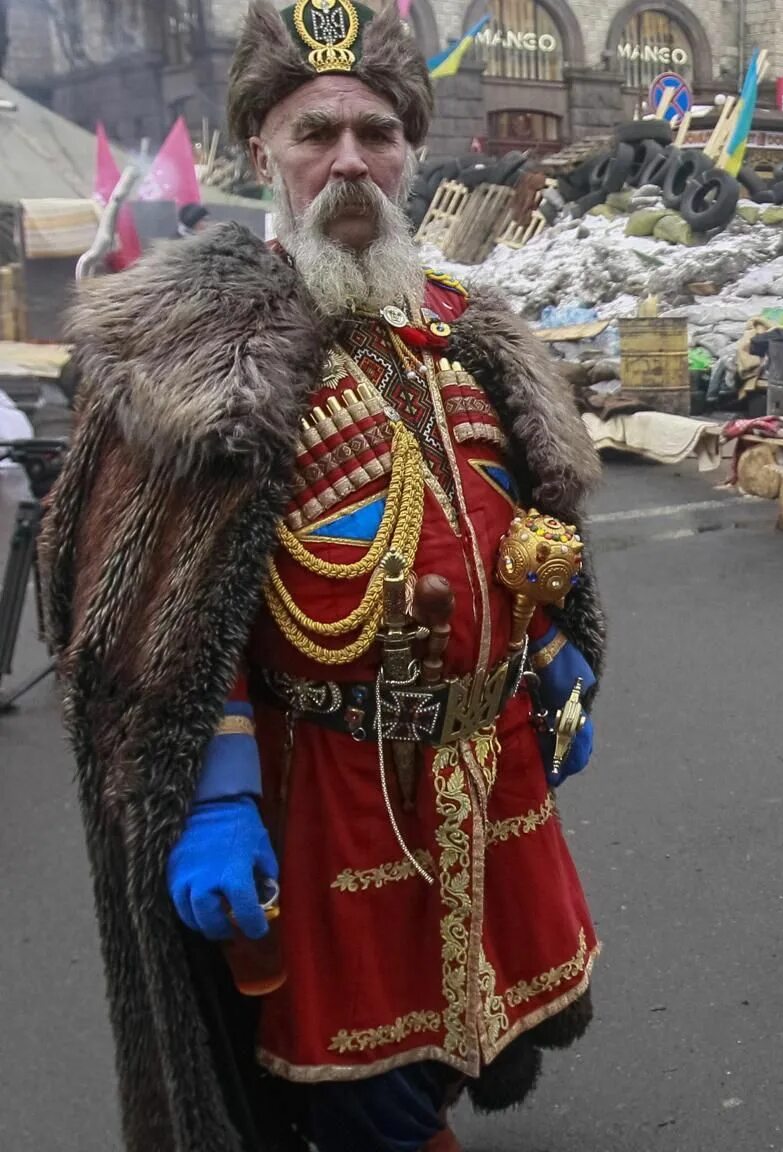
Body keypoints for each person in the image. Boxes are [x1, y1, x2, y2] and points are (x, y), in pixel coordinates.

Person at [38, 4, 605, 1148]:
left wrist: (554, 655)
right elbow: (164, 619)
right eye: (314, 133)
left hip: (485, 770)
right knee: (354, 1086)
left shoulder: (471, 333)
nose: (349, 158)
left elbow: (510, 531)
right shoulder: (186, 354)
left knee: (467, 1026)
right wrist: (212, 795)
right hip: (320, 794)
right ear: (261, 152)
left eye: (376, 130)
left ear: (410, 150)